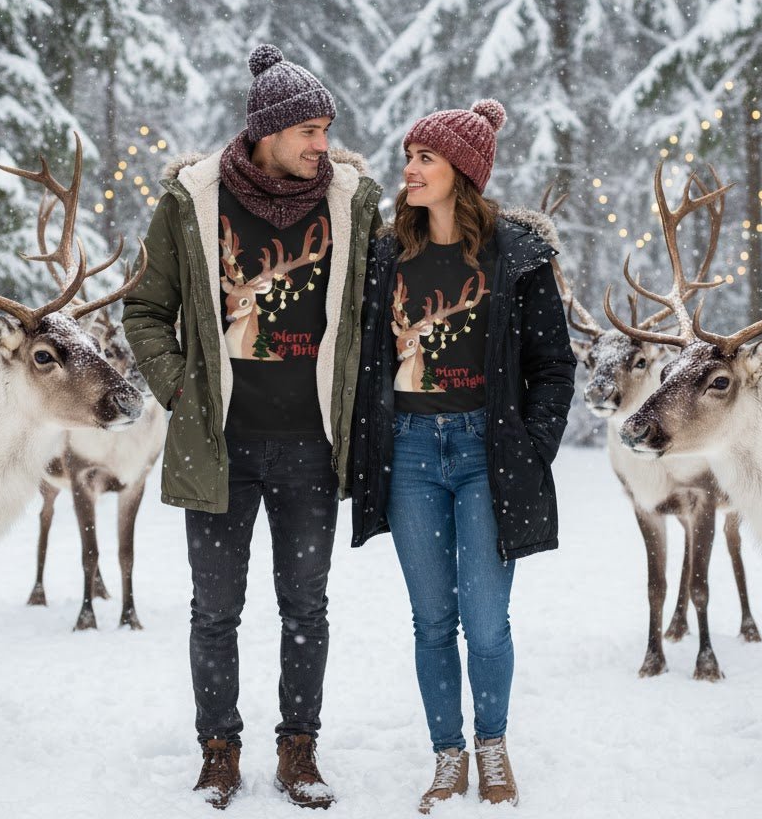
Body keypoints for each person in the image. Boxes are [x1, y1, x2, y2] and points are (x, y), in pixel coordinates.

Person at [122, 44, 382, 810]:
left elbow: (381, 304)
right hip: (220, 448)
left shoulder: (350, 203)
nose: (321, 144)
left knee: (307, 606)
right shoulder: (190, 203)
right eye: (307, 129)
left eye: (327, 128)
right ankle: (219, 750)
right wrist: (181, 392)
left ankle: (299, 751)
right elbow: (144, 310)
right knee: (215, 610)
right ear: (266, 131)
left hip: (310, 445)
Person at [349, 99, 576, 812]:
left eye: (426, 159)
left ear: (464, 174)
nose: (409, 170)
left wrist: (530, 447)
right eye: (410, 157)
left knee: (486, 620)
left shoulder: (516, 255)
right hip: (410, 454)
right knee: (431, 620)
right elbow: (363, 356)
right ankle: (448, 755)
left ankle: (492, 746)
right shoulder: (386, 254)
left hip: (487, 453)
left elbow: (553, 363)